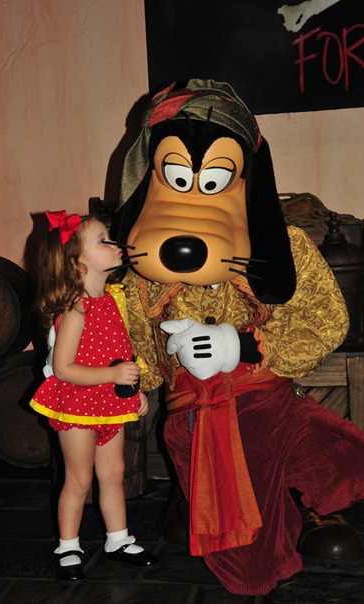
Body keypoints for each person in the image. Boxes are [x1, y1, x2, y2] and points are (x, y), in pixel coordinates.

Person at [110, 79, 364, 602]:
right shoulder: (137, 271)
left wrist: (245, 346)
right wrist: (125, 378)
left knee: (344, 458)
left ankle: (305, 503)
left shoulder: (282, 246)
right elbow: (138, 344)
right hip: (196, 418)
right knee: (251, 569)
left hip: (270, 401)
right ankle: (216, 508)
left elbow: (324, 319)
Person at [30, 210, 159, 584]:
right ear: (77, 262)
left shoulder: (112, 300)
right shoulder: (75, 310)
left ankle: (118, 540)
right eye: (103, 240)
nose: (115, 244)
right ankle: (68, 546)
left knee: (114, 473)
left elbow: (119, 353)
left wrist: (132, 389)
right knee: (79, 478)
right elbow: (64, 368)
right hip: (76, 404)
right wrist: (112, 376)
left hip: (108, 402)